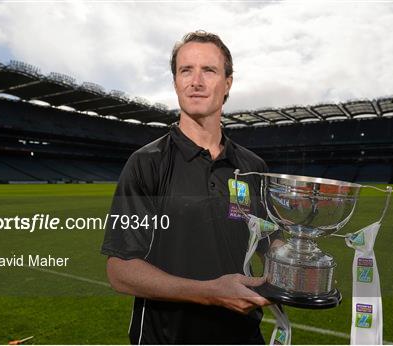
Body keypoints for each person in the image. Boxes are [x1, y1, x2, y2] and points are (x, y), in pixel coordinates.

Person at [101, 30, 272, 344]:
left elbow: (267, 240)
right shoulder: (146, 163)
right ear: (175, 82)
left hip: (244, 336)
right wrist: (208, 293)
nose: (196, 81)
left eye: (208, 70)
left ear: (228, 83)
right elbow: (120, 270)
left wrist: (301, 265)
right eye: (185, 70)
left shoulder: (252, 168)